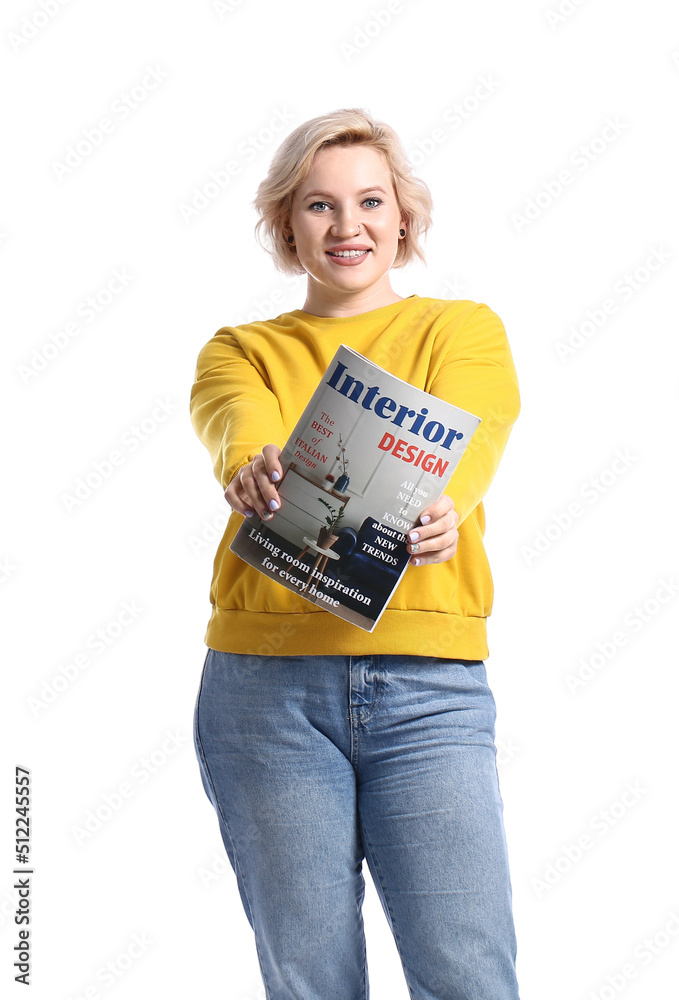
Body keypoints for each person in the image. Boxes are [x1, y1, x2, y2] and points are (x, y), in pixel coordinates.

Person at [190, 107, 522, 1000]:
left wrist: (448, 508)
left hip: (429, 690)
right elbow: (239, 430)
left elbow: (473, 436)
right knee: (311, 984)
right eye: (317, 206)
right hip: (265, 696)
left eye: (370, 201)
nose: (348, 227)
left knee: (468, 975)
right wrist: (255, 469)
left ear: (403, 218)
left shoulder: (460, 330)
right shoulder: (241, 350)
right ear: (284, 225)